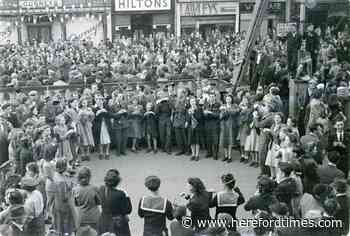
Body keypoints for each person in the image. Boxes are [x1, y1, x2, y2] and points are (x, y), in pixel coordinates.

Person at [99, 169, 131, 235]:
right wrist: (127, 197)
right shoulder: (120, 193)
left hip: (104, 221)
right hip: (117, 223)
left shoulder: (101, 189)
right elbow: (128, 210)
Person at [52, 159, 77, 236]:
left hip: (57, 202)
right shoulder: (61, 182)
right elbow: (64, 197)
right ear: (63, 168)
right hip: (63, 206)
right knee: (66, 223)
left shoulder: (55, 175)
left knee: (59, 222)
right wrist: (71, 188)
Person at [73, 167, 101, 233]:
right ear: (89, 177)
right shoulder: (94, 188)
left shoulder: (75, 190)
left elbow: (75, 203)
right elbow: (99, 202)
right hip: (94, 217)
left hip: (81, 218)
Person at [219, 95, 240, 163]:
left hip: (231, 125)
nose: (228, 100)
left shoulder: (234, 105)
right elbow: (220, 116)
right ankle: (225, 155)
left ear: (231, 99)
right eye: (227, 98)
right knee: (224, 141)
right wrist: (223, 112)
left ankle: (230, 156)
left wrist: (227, 110)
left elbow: (236, 112)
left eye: (229, 98)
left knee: (230, 141)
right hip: (224, 125)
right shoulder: (223, 105)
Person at [93, 95, 112, 160]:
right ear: (96, 101)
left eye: (101, 100)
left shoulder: (107, 107)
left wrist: (105, 111)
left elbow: (110, 115)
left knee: (107, 139)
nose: (100, 101)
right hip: (99, 126)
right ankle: (101, 153)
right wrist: (98, 113)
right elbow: (94, 119)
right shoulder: (94, 109)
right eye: (98, 100)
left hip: (106, 125)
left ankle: (107, 153)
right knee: (100, 140)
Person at [203, 92, 221, 160]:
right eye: (210, 97)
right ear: (209, 97)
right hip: (207, 124)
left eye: (213, 96)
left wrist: (210, 112)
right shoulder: (206, 104)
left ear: (215, 97)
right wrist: (205, 113)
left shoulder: (218, 104)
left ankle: (215, 154)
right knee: (208, 139)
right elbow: (203, 114)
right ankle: (209, 152)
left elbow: (218, 115)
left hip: (215, 124)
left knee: (215, 140)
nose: (211, 98)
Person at [187, 97, 204, 161]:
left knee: (197, 141)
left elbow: (200, 118)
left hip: (197, 127)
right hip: (191, 127)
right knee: (192, 141)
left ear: (195, 102)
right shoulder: (189, 109)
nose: (192, 103)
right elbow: (188, 119)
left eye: (193, 101)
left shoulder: (199, 109)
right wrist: (189, 116)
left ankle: (197, 155)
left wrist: (193, 113)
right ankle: (193, 154)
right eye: (191, 102)